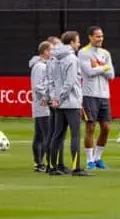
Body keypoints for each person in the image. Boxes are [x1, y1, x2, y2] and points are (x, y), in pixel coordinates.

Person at [49, 31, 90, 176]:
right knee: (75, 135)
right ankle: (76, 168)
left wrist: (55, 98)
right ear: (71, 42)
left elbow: (52, 81)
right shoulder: (72, 58)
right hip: (71, 103)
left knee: (57, 134)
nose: (79, 44)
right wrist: (60, 98)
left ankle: (53, 167)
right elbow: (70, 82)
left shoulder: (53, 58)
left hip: (58, 104)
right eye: (78, 41)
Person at [78, 26, 115, 170]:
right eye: (97, 36)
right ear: (90, 37)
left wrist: (100, 67)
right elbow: (88, 72)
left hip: (104, 95)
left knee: (106, 128)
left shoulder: (105, 53)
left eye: (102, 36)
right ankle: (89, 160)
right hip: (89, 94)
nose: (100, 39)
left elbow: (111, 75)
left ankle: (98, 158)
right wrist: (104, 67)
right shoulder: (83, 53)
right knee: (90, 127)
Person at [44, 36, 67, 174]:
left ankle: (57, 163)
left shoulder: (53, 62)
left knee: (57, 133)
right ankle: (53, 164)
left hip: (55, 98)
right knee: (55, 133)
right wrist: (52, 97)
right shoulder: (52, 63)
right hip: (55, 100)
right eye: (57, 46)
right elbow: (51, 82)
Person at [29, 41, 52, 172]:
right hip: (42, 105)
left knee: (40, 135)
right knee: (46, 135)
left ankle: (39, 163)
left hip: (40, 104)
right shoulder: (40, 67)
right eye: (51, 50)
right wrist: (45, 98)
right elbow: (39, 86)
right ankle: (46, 163)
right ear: (45, 51)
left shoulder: (41, 65)